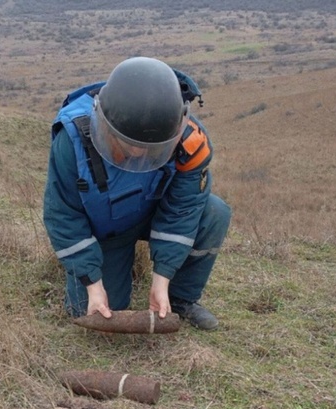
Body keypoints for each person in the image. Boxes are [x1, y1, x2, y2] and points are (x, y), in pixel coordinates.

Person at [43, 57, 231, 330]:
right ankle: (104, 274)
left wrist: (162, 278)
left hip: (153, 213)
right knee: (86, 311)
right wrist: (92, 283)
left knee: (215, 212)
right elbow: (63, 215)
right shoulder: (72, 139)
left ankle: (180, 299)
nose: (139, 155)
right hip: (106, 231)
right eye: (128, 145)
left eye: (152, 148)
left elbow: (183, 209)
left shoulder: (190, 142)